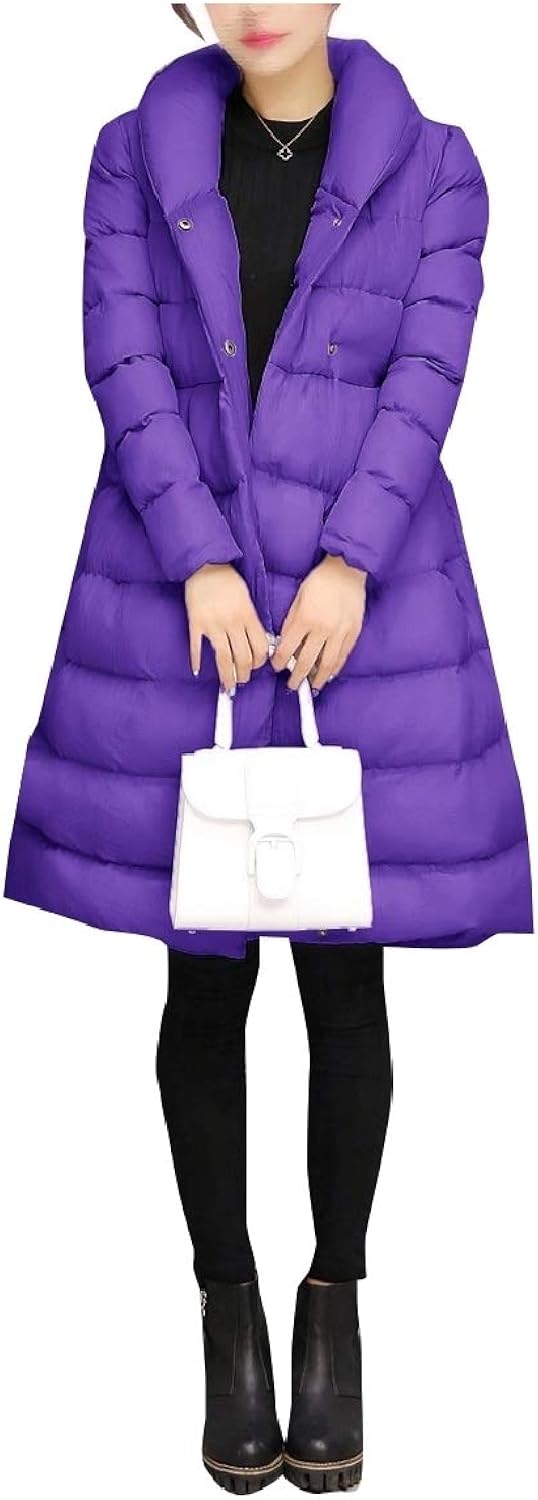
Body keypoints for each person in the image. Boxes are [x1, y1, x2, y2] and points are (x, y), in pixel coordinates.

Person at [3, 2, 533, 1492]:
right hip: (192, 614)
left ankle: (332, 1309)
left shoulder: (438, 164)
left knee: (348, 981)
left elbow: (425, 376)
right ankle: (225, 1314)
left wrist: (349, 559)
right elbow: (123, 361)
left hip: (367, 615)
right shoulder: (129, 153)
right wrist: (201, 560)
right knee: (205, 975)